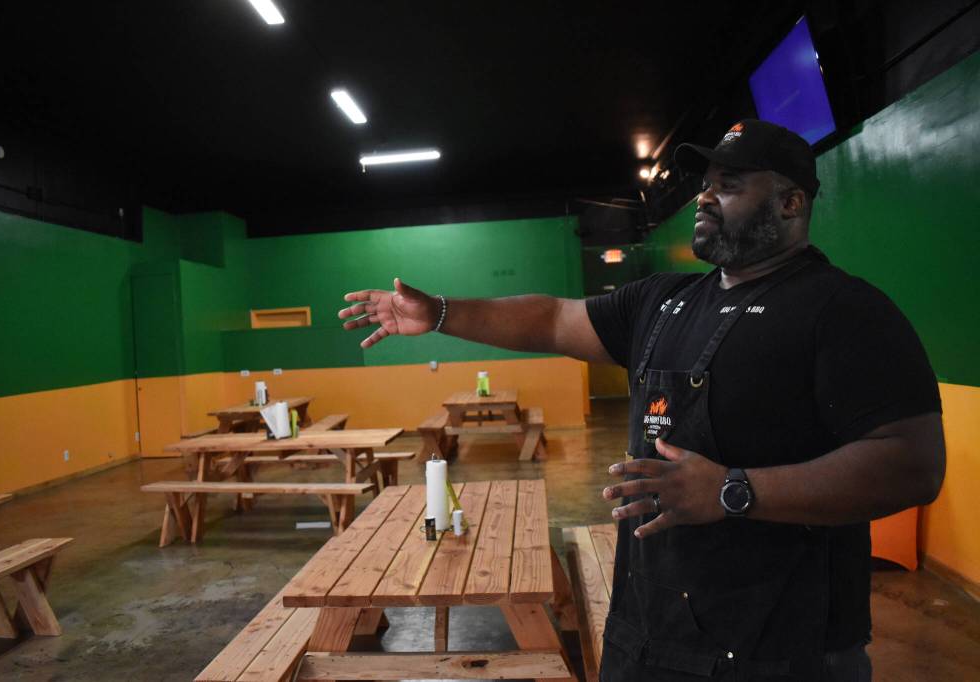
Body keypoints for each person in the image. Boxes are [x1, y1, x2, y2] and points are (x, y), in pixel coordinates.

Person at [337, 119, 945, 681]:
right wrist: (441, 312)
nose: (705, 197)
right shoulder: (663, 301)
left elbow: (913, 465)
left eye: (729, 185)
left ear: (791, 203)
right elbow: (553, 319)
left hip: (782, 649)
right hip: (650, 631)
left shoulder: (844, 311)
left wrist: (733, 491)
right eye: (706, 184)